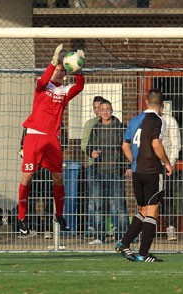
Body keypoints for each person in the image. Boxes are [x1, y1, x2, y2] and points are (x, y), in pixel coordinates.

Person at [18, 44, 84, 237]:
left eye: (63, 71)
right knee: (27, 177)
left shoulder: (64, 91)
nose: (59, 73)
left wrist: (78, 70)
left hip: (52, 139)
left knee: (58, 177)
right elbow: (43, 79)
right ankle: (22, 219)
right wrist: (53, 61)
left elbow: (79, 86)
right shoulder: (42, 85)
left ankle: (59, 215)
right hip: (34, 136)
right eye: (57, 70)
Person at [116, 88, 172, 262]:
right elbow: (156, 144)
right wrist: (167, 162)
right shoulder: (158, 120)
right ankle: (144, 253)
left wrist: (135, 162)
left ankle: (124, 243)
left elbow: (125, 146)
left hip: (137, 171)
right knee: (152, 210)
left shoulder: (134, 121)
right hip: (152, 170)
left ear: (146, 102)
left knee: (142, 209)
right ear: (162, 105)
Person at [86, 99, 130, 245]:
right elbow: (88, 147)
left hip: (116, 172)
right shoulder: (95, 128)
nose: (105, 112)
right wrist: (91, 153)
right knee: (99, 205)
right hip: (99, 172)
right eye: (102, 109)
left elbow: (128, 148)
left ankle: (122, 236)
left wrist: (129, 166)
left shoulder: (120, 128)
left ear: (112, 110)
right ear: (99, 111)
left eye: (108, 109)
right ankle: (99, 236)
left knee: (118, 205)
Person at [81, 95, 104, 237]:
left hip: (109, 166)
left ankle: (112, 227)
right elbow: (84, 144)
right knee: (94, 198)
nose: (97, 110)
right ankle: (92, 227)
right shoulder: (90, 124)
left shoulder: (114, 123)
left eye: (99, 107)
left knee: (110, 198)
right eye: (94, 108)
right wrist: (92, 152)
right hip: (93, 166)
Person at [160, 107, 181, 241]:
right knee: (150, 198)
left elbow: (176, 144)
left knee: (168, 198)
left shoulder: (170, 121)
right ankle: (147, 228)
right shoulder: (146, 120)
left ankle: (170, 228)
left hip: (165, 165)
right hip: (150, 165)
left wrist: (170, 163)